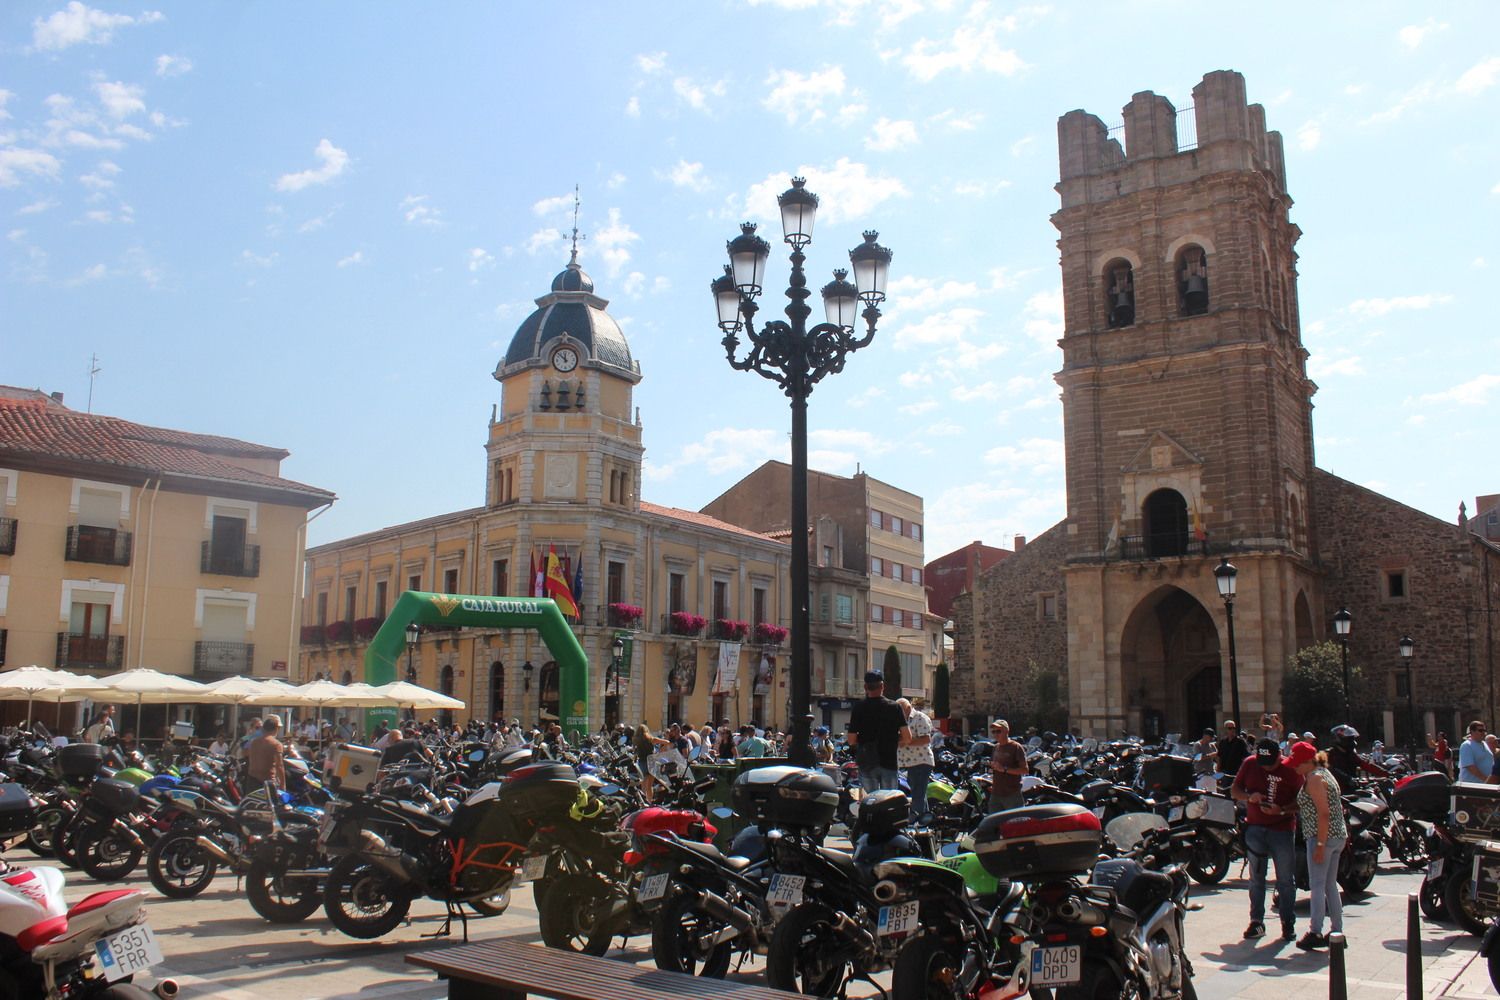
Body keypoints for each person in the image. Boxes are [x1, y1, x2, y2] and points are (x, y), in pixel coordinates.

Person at [1232, 738, 1304, 941]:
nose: (1266, 768)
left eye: (1270, 764)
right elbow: (1235, 790)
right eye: (1263, 763)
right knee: (1256, 879)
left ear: (1280, 756)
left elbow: (1302, 801)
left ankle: (1287, 923)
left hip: (1282, 829)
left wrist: (1281, 810)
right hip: (1255, 828)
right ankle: (1257, 922)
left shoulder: (1291, 770)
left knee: (1285, 881)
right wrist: (1250, 797)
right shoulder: (1250, 763)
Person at [1288, 741, 1347, 950]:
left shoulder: (1314, 779)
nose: (1294, 768)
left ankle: (1315, 931)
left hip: (1322, 836)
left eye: (1297, 764)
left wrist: (1320, 845)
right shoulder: (1325, 773)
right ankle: (1337, 930)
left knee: (1318, 885)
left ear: (1307, 761)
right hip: (1337, 835)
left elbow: (1323, 813)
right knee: (1330, 884)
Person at [846, 671, 909, 793]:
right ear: (882, 686)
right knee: (889, 801)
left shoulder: (859, 708)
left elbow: (851, 740)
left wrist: (865, 739)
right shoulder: (894, 707)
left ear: (865, 687)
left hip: (867, 762)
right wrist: (893, 739)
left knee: (872, 800)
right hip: (889, 762)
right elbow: (907, 737)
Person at [897, 698, 935, 819]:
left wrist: (906, 742)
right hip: (909, 762)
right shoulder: (901, 720)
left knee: (918, 793)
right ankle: (924, 819)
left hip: (921, 761)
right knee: (918, 792)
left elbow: (926, 739)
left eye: (899, 710)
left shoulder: (920, 718)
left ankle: (915, 818)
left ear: (907, 708)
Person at [988, 719, 1028, 812]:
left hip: (1012, 794)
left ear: (1006, 731)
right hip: (996, 793)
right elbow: (996, 768)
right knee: (994, 823)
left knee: (1014, 823)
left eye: (998, 731)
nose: (995, 734)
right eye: (993, 732)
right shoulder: (995, 747)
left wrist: (1004, 769)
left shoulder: (1016, 747)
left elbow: (1025, 770)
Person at [246, 714, 287, 789]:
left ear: (263, 729)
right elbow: (279, 766)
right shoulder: (276, 744)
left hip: (252, 780)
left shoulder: (253, 742)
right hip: (267, 782)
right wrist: (283, 785)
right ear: (276, 729)